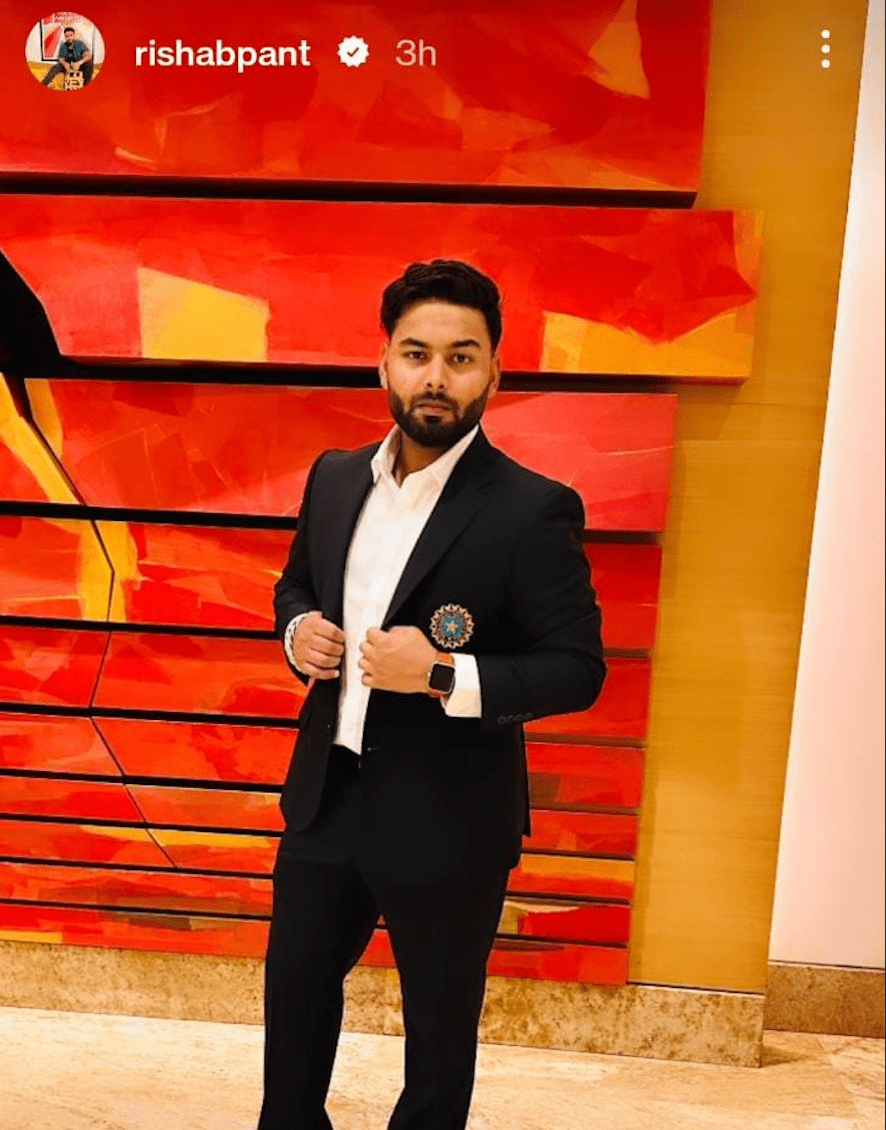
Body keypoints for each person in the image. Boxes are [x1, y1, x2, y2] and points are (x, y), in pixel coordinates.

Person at [263, 259, 606, 1130]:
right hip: (327, 795)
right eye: (417, 354)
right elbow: (296, 585)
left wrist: (443, 673)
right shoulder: (334, 477)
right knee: (293, 1013)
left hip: (450, 815)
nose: (436, 377)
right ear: (385, 361)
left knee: (438, 1049)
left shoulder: (532, 509)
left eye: (461, 357)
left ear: (495, 372)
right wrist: (299, 632)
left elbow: (577, 668)